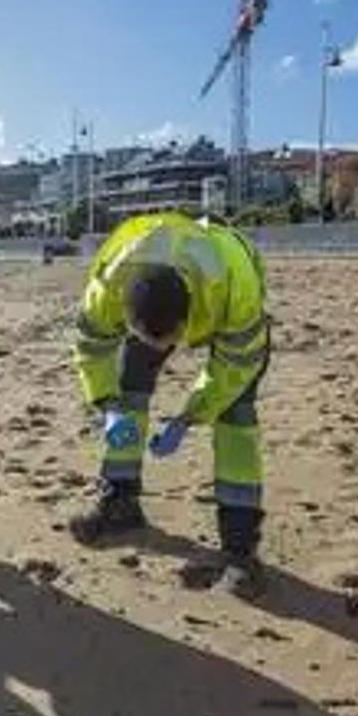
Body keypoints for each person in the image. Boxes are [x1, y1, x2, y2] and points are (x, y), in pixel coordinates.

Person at [70, 212, 270, 597]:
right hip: (160, 292)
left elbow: (234, 370)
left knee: (236, 416)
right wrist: (107, 406)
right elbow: (90, 348)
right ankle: (121, 502)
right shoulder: (110, 282)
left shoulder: (235, 289)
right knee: (130, 385)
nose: (163, 353)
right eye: (147, 338)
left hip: (230, 288)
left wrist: (188, 417)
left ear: (187, 321)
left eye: (169, 341)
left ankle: (240, 549)